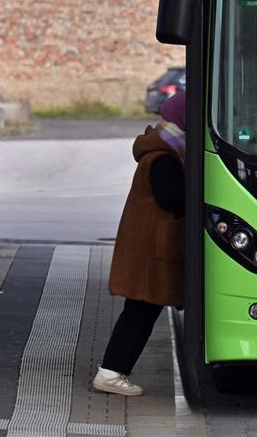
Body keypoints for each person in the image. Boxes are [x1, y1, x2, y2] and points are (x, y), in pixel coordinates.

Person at [93, 92, 186, 396]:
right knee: (139, 311)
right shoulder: (163, 157)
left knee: (142, 311)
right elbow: (171, 198)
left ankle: (114, 371)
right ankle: (110, 372)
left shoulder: (162, 149)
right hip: (151, 250)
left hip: (148, 246)